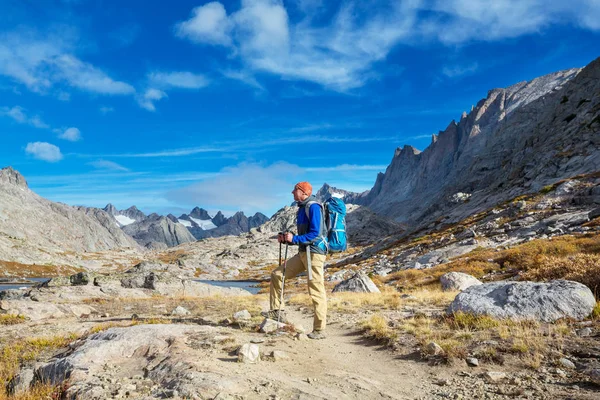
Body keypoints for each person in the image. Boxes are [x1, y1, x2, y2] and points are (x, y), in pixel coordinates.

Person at [263, 181, 328, 340]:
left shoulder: (313, 207)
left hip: (314, 254)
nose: (292, 193)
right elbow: (302, 237)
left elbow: (315, 234)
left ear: (304, 192)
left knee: (316, 289)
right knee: (277, 275)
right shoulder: (301, 208)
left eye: (295, 190)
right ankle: (277, 312)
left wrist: (295, 238)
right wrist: (288, 239)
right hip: (302, 253)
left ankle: (319, 330)